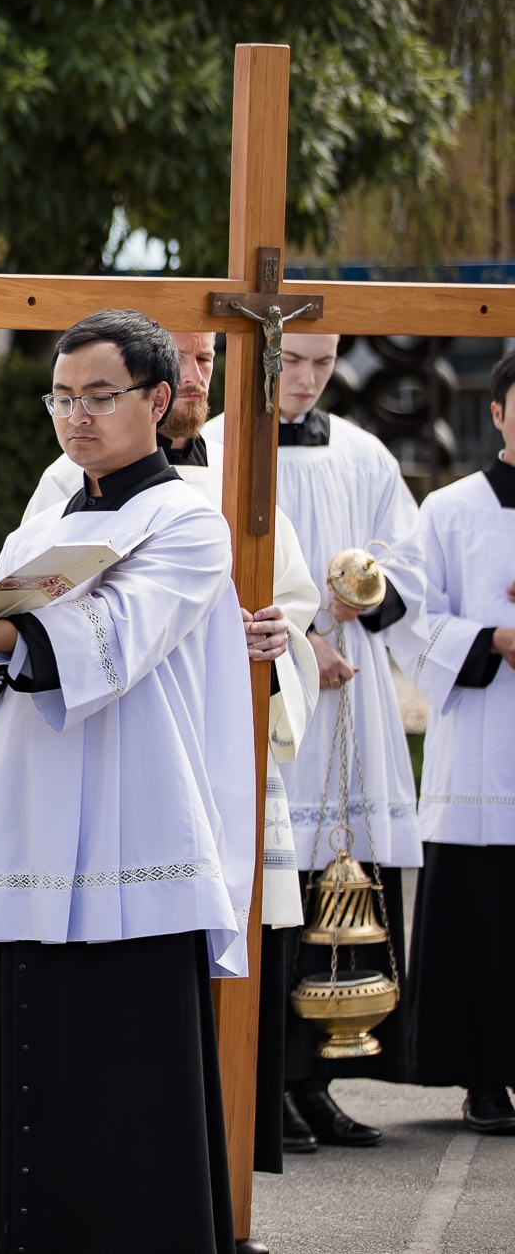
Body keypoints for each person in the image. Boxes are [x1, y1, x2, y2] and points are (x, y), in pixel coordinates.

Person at [0, 309, 254, 1254]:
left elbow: (127, 635)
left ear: (158, 399)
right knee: (17, 1072)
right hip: (29, 826)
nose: (77, 416)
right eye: (63, 397)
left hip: (132, 831)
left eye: (99, 396)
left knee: (126, 1097)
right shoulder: (45, 514)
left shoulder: (188, 520)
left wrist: (14, 636)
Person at [23, 328, 323, 1180]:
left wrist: (278, 636)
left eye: (206, 360)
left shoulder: (245, 470)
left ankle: (236, 1158)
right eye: (186, 356)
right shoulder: (70, 480)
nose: (198, 374)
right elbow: (48, 609)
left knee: (232, 951)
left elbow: (292, 603)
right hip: (131, 747)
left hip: (218, 739)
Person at [202, 333, 425, 1148]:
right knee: (276, 886)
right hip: (272, 687)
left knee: (343, 879)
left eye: (323, 363)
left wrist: (370, 596)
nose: (303, 378)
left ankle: (321, 1078)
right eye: (289, 359)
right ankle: (268, 1083)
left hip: (349, 697)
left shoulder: (364, 454)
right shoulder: (218, 449)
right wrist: (303, 643)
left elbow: (409, 562)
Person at [401, 349, 515, 1137]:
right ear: (500, 411)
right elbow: (412, 617)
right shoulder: (448, 510)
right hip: (483, 744)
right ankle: (484, 1078)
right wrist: (494, 639)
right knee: (484, 920)